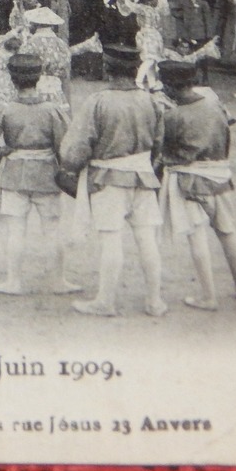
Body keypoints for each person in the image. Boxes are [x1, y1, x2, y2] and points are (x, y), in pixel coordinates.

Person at [59, 44, 166, 317]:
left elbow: (77, 146)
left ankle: (105, 301)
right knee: (146, 239)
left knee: (111, 239)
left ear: (107, 69)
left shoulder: (99, 101)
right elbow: (159, 142)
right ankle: (154, 301)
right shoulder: (151, 100)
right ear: (134, 71)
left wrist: (69, 168)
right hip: (143, 176)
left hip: (108, 177)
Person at [0, 54, 78, 296]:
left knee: (15, 230)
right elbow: (68, 144)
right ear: (38, 78)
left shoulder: (6, 110)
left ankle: (13, 282)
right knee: (52, 229)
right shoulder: (52, 110)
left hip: (14, 173)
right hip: (47, 174)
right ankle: (59, 281)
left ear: (13, 80)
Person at [156, 60, 236, 309]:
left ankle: (208, 297)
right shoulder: (215, 104)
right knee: (227, 231)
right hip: (220, 175)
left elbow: (164, 151)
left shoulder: (173, 116)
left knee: (197, 236)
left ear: (170, 86)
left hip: (190, 180)